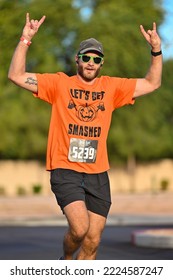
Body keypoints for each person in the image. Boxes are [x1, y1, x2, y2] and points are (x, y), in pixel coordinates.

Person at [8, 13, 162, 260]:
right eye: (86, 57)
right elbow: (15, 75)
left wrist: (156, 51)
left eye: (96, 59)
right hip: (64, 169)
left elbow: (152, 83)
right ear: (77, 59)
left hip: (98, 172)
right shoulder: (59, 84)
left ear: (102, 63)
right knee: (79, 229)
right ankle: (66, 261)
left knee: (93, 240)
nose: (91, 62)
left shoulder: (111, 87)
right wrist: (25, 39)